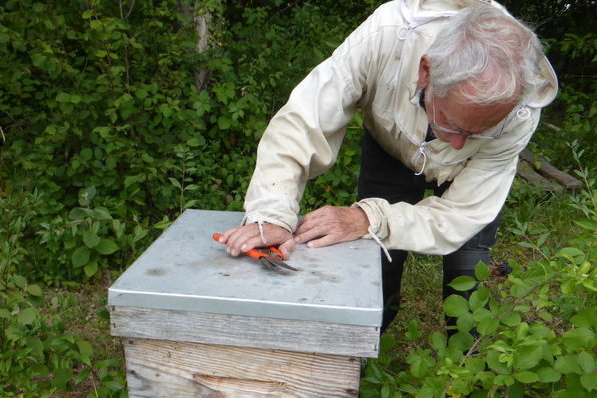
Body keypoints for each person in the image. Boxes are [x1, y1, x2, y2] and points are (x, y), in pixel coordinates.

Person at [214, 0, 558, 331]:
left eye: (478, 132)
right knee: (377, 267)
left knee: (468, 268)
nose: (457, 144)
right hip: (389, 149)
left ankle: (466, 364)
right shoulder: (388, 35)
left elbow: (462, 215)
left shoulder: (520, 108)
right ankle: (370, 343)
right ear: (426, 72)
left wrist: (370, 216)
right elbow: (303, 124)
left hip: (470, 177)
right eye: (452, 124)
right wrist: (272, 214)